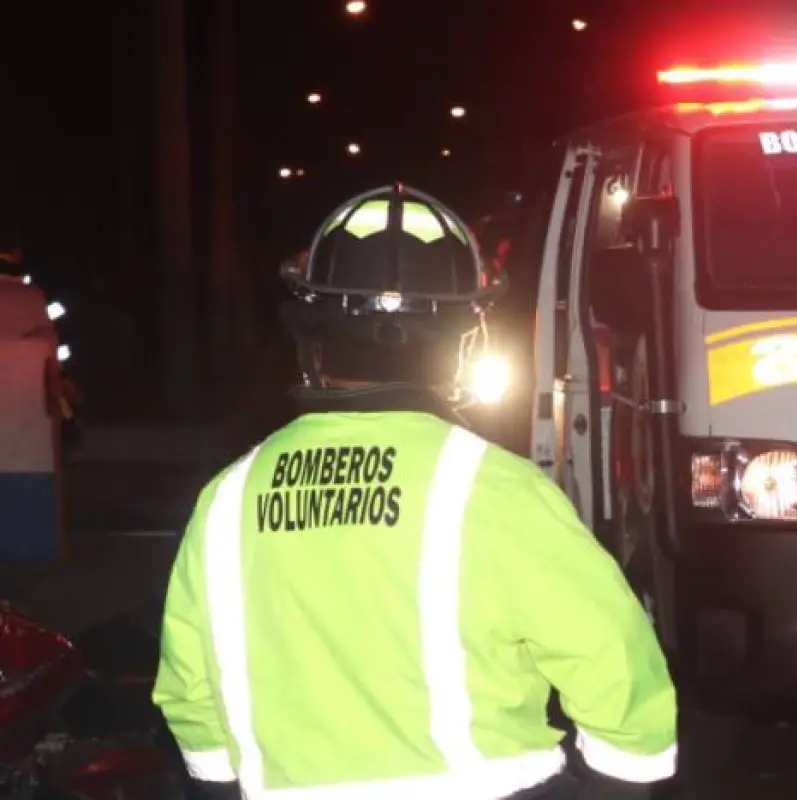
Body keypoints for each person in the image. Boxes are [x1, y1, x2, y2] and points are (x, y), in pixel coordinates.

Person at [152, 185, 678, 799]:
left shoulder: (227, 498)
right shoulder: (495, 487)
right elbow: (610, 655)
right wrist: (625, 782)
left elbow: (189, 691)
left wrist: (222, 783)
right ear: (463, 339)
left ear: (310, 333)